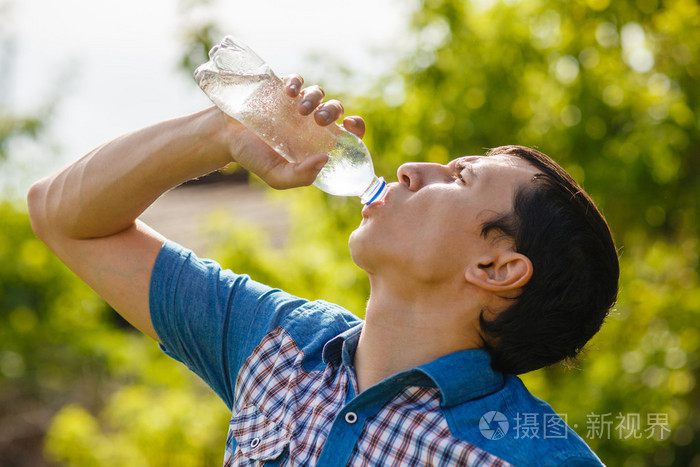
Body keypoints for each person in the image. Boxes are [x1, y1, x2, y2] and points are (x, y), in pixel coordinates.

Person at [27, 75, 619, 466]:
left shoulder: (529, 456)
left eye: (459, 177)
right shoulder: (278, 343)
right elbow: (60, 216)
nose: (412, 168)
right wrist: (222, 133)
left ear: (497, 267)